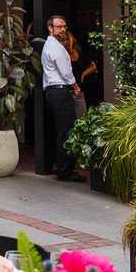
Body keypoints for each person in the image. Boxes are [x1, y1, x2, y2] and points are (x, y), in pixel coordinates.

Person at [42, 14, 86, 182]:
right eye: (59, 27)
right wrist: (75, 87)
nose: (62, 30)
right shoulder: (55, 47)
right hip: (60, 91)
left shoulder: (52, 45)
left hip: (55, 92)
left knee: (62, 130)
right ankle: (64, 170)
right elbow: (66, 73)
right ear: (50, 28)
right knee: (66, 131)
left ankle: (61, 167)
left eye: (64, 26)